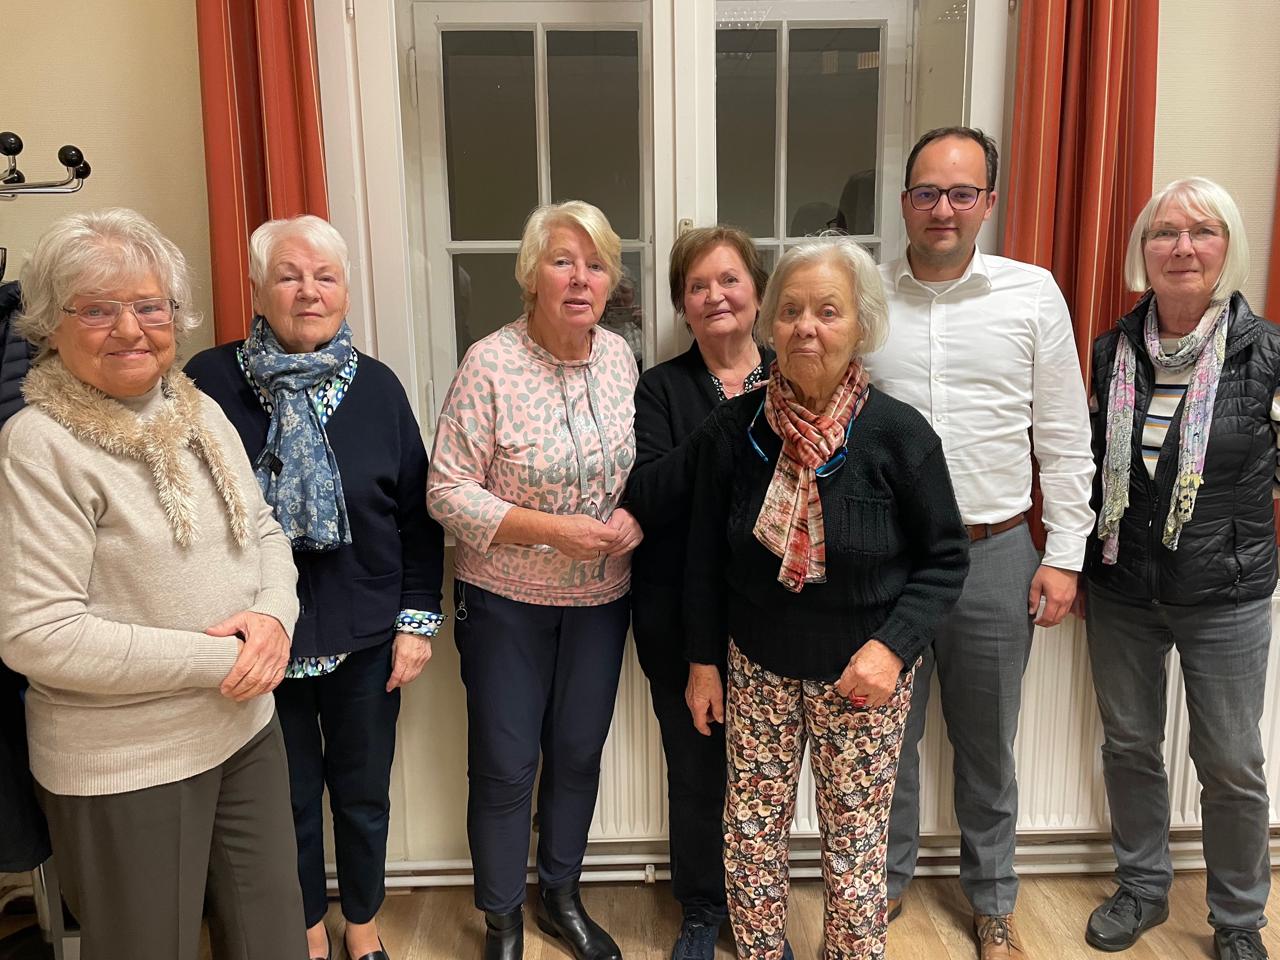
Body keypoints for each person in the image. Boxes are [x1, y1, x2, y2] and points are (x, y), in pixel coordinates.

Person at [0, 208, 306, 958]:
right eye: (98, 310)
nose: (131, 329)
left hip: (244, 729)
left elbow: (266, 533)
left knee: (273, 941)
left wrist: (273, 623)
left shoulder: (196, 408)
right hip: (125, 761)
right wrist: (223, 662)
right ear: (50, 324)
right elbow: (37, 634)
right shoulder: (40, 444)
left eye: (149, 305)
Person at [684, 236, 970, 960]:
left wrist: (891, 649)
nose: (806, 326)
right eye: (790, 311)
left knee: (855, 848)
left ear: (861, 326)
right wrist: (703, 663)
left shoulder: (899, 437)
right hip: (757, 668)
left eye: (828, 311)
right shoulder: (735, 430)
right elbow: (702, 559)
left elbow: (944, 558)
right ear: (769, 326)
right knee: (749, 838)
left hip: (863, 677)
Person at [185, 215, 445, 960]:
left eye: (324, 276)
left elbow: (417, 521)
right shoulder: (208, 382)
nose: (308, 291)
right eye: (290, 276)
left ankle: (362, 930)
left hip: (366, 637)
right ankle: (304, 937)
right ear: (259, 290)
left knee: (363, 801)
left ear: (345, 291)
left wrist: (415, 625)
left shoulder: (379, 388)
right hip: (257, 639)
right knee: (285, 805)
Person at [864, 126, 1094, 960]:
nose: (944, 209)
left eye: (963, 193)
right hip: (886, 561)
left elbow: (1066, 436)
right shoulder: (869, 300)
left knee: (987, 744)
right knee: (885, 742)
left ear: (989, 203)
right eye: (928, 192)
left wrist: (1065, 552)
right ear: (905, 203)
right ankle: (877, 890)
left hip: (997, 551)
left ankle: (993, 901)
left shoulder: (1032, 295)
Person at [427, 200, 642, 960]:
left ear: (611, 279)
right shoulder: (489, 363)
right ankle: (502, 919)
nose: (579, 277)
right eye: (562, 261)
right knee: (505, 763)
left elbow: (634, 470)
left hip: (601, 602)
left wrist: (633, 521)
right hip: (504, 603)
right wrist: (552, 530)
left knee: (579, 752)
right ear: (531, 276)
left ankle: (560, 896)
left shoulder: (620, 357)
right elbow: (445, 491)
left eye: (594, 263)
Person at [1080, 178, 1277, 960]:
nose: (1183, 247)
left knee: (1231, 761)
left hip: (1224, 592)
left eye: (1202, 232)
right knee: (1129, 745)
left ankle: (1237, 920)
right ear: (1143, 252)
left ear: (1228, 247)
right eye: (1165, 233)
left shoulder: (1267, 355)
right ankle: (1142, 888)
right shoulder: (1110, 351)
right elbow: (1093, 469)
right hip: (1124, 586)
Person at [625, 225, 772, 960]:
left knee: (766, 778)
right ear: (683, 306)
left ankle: (759, 911)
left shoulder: (798, 370)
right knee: (697, 772)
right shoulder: (661, 388)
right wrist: (728, 420)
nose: (715, 295)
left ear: (756, 290)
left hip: (779, 619)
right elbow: (647, 493)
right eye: (697, 286)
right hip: (681, 619)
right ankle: (703, 909)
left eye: (729, 280)